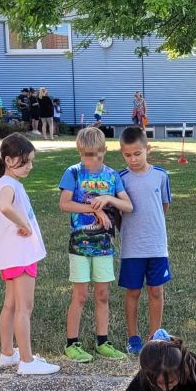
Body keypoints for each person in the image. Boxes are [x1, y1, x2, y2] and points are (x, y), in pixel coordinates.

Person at [59, 126, 133, 362]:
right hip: (79, 245)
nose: (91, 160)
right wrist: (93, 209)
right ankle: (72, 343)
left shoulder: (112, 176)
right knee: (80, 295)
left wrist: (109, 198)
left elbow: (128, 205)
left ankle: (103, 342)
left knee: (102, 295)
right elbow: (65, 204)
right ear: (79, 152)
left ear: (105, 150)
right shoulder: (73, 173)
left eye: (96, 155)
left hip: (104, 246)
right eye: (86, 155)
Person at [0, 133, 60, 376]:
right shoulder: (8, 184)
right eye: (25, 161)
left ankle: (7, 353)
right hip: (20, 255)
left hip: (13, 256)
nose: (30, 166)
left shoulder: (8, 182)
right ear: (9, 160)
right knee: (24, 308)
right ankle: (27, 361)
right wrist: (25, 225)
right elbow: (5, 206)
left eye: (31, 161)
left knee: (11, 305)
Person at [118, 126, 171, 355]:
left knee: (156, 290)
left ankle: (155, 336)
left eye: (137, 154)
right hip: (132, 247)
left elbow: (164, 205)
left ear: (147, 149)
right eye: (127, 155)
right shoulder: (120, 179)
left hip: (156, 246)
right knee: (133, 292)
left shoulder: (161, 176)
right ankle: (133, 337)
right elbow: (118, 213)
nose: (133, 159)